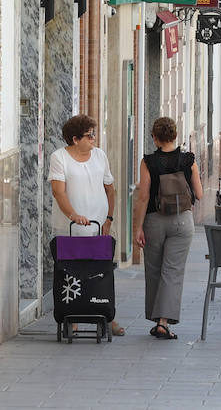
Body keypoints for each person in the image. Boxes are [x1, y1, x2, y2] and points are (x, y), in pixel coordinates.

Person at [48, 114, 124, 335]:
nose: (93, 138)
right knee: (71, 273)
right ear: (74, 139)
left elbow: (110, 189)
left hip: (98, 226)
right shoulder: (59, 157)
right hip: (70, 228)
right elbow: (58, 191)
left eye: (94, 133)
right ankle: (71, 317)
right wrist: (73, 215)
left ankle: (107, 316)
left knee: (102, 273)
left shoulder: (99, 156)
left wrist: (109, 218)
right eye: (89, 135)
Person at [132, 116, 203, 340]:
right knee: (172, 271)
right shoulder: (188, 160)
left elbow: (143, 197)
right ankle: (164, 322)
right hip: (182, 221)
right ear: (174, 135)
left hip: (154, 220)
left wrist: (138, 227)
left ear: (155, 138)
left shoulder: (148, 162)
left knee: (154, 270)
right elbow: (199, 194)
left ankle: (156, 319)